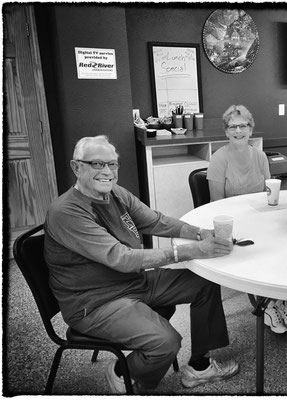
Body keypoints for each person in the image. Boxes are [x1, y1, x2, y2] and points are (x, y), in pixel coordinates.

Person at [44, 135, 239, 394]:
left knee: (204, 284)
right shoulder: (67, 212)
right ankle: (124, 372)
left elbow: (156, 221)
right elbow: (122, 258)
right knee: (166, 342)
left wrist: (200, 233)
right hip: (94, 302)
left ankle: (199, 367)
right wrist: (191, 251)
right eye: (97, 164)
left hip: (132, 281)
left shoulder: (115, 193)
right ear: (76, 167)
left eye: (112, 164)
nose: (107, 171)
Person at [207, 104, 287, 335]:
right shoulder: (219, 159)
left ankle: (279, 299)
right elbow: (216, 206)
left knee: (285, 242)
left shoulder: (260, 156)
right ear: (226, 132)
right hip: (235, 223)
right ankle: (268, 305)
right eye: (233, 127)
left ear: (251, 129)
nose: (238, 131)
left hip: (259, 217)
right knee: (262, 251)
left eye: (243, 126)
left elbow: (268, 193)